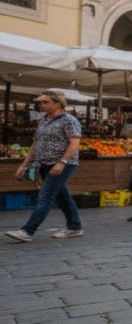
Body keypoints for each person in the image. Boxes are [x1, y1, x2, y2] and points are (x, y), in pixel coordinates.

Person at [5, 90, 83, 242]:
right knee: (62, 196)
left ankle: (27, 231)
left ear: (58, 103)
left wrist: (62, 163)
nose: (40, 104)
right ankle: (75, 227)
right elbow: (36, 144)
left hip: (63, 164)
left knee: (46, 195)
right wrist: (23, 165)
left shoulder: (69, 120)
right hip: (44, 163)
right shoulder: (44, 120)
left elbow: (75, 144)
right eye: (39, 102)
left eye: (45, 102)